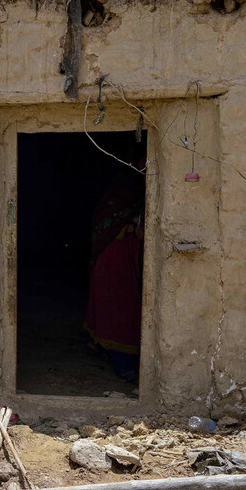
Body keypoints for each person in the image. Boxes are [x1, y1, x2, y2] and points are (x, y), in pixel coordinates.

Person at [85, 164, 145, 383]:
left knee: (127, 309)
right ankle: (122, 362)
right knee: (119, 308)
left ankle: (109, 351)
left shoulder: (142, 195)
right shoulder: (117, 198)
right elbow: (106, 225)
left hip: (131, 261)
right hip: (114, 263)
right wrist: (130, 228)